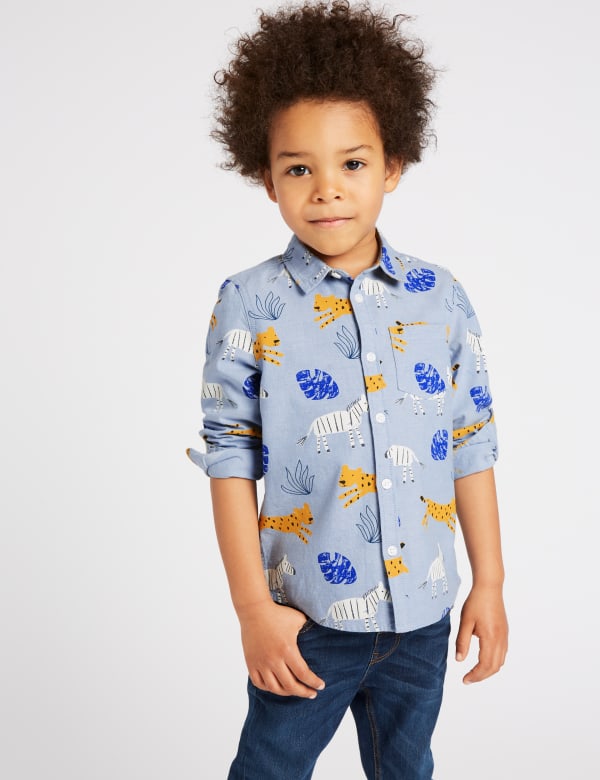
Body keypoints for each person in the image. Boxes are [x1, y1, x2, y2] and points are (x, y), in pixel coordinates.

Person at [187, 2, 508, 777]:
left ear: (392, 165)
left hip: (423, 615)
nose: (327, 190)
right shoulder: (249, 302)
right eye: (300, 168)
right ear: (266, 178)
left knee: (406, 769)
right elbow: (230, 461)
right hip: (307, 622)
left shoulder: (440, 297)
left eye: (353, 164)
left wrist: (490, 582)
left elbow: (470, 442)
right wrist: (253, 612)